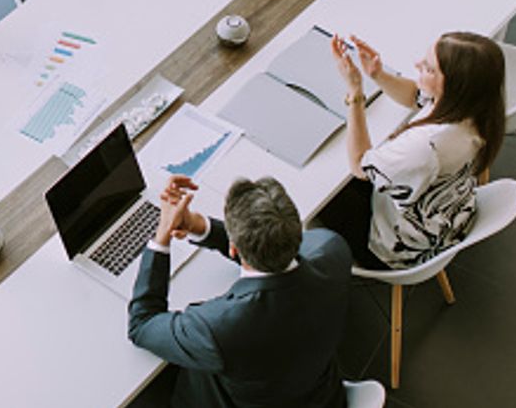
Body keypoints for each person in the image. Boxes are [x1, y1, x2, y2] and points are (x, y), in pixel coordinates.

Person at [129, 175, 350, 408]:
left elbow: (142, 324)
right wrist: (198, 226)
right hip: (323, 397)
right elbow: (277, 249)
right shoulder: (333, 251)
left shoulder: (217, 328)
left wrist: (161, 237)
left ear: (233, 248)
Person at [320, 32, 505, 269]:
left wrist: (355, 94)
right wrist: (377, 74)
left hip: (397, 248)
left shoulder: (426, 146)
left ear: (452, 85)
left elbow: (359, 164)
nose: (417, 64)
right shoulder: (477, 108)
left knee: (322, 191)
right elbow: (416, 97)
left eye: (428, 68)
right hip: (445, 215)